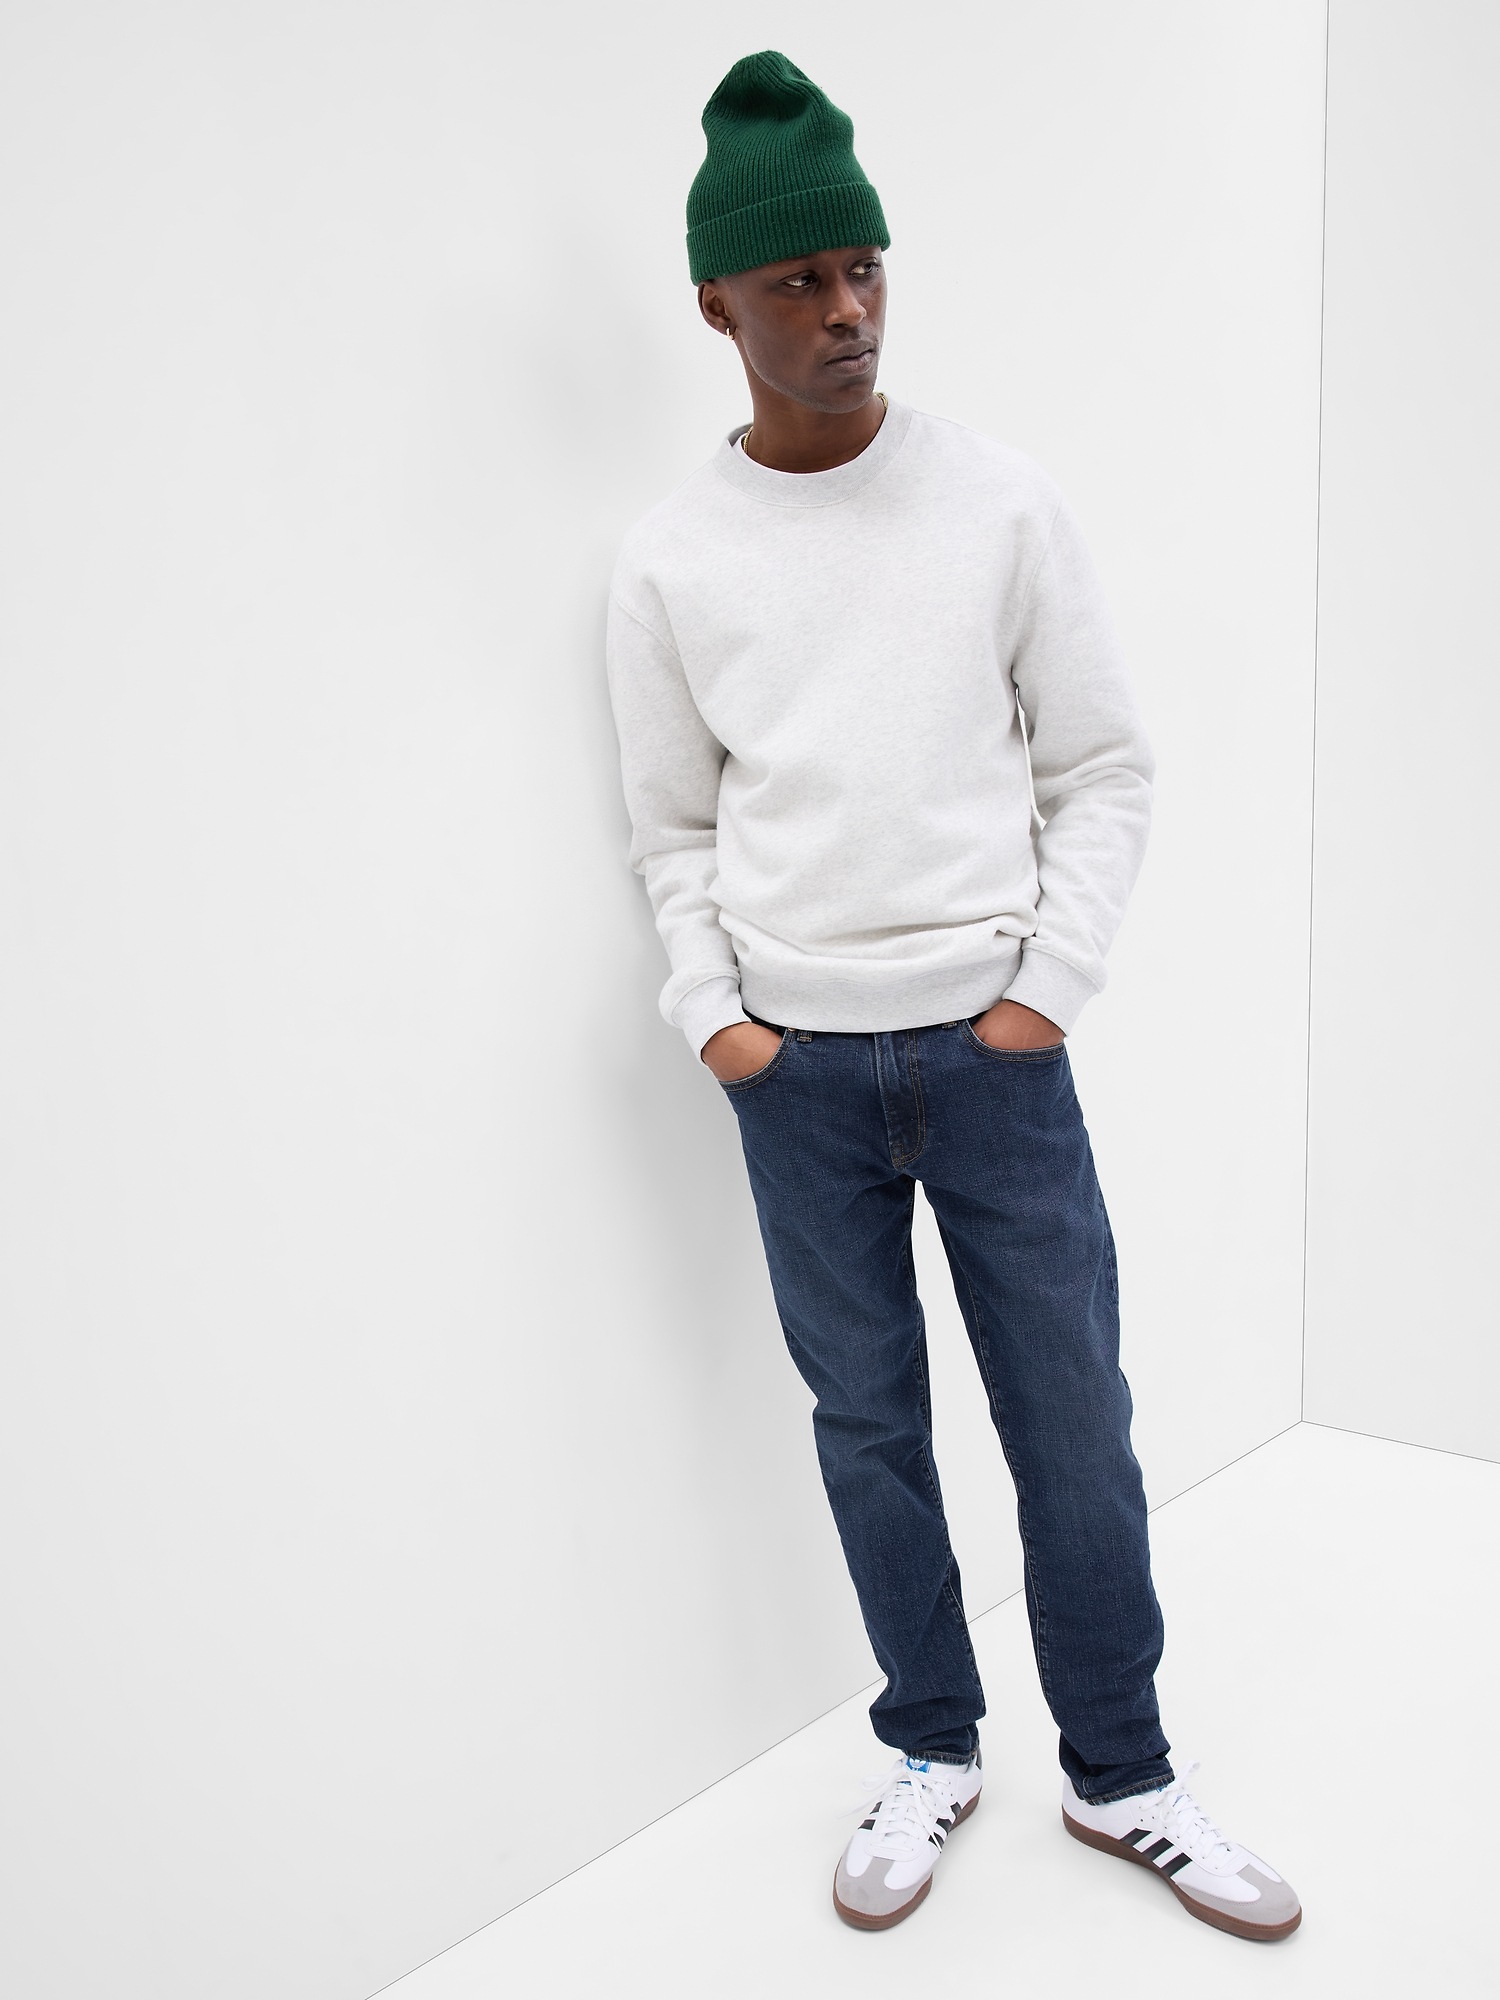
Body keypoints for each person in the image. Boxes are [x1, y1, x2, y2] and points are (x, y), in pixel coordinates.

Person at [604, 49, 1300, 1944]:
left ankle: (1123, 1771)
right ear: (719, 305)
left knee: (1071, 1421)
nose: (848, 309)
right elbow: (673, 827)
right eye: (803, 279)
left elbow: (1106, 764)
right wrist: (720, 1022)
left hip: (996, 1056)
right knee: (868, 1428)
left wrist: (1043, 994)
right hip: (795, 1073)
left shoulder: (997, 503)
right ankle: (929, 1745)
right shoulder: (671, 560)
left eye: (866, 268)